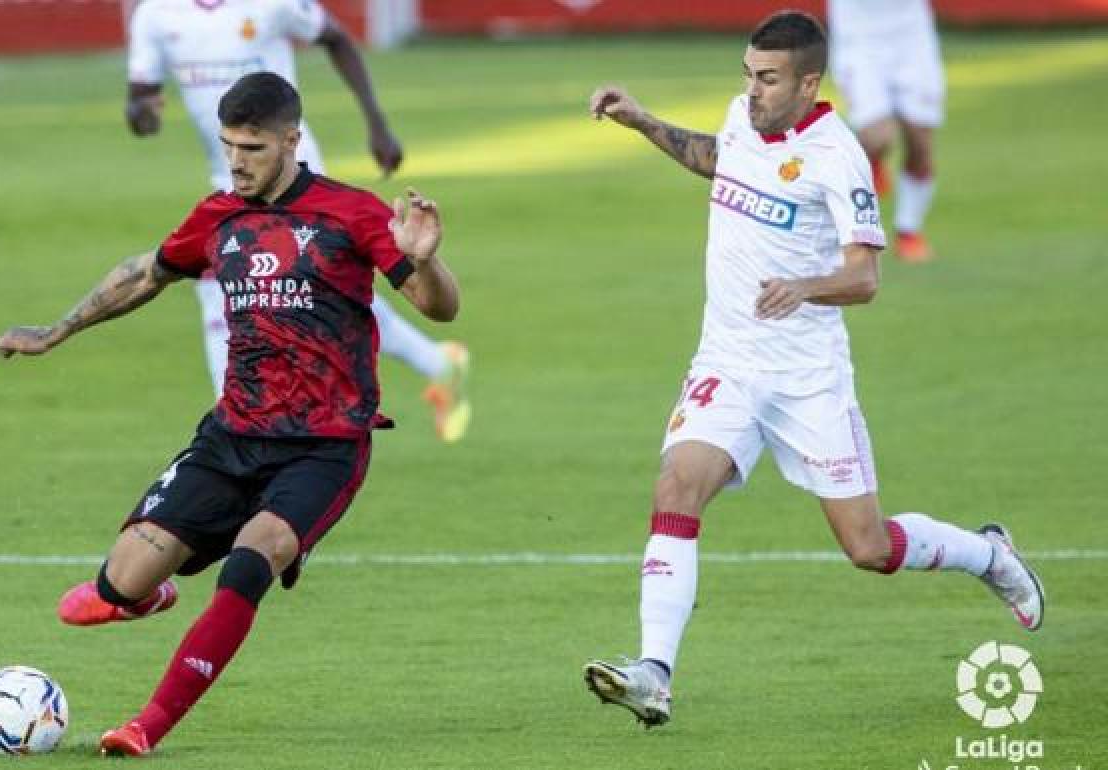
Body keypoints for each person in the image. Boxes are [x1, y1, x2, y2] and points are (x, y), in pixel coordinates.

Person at [580, 11, 1044, 728]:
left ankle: (986, 555)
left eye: (766, 79)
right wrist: (643, 121)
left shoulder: (838, 155)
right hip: (729, 359)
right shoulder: (742, 118)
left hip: (808, 379)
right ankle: (654, 673)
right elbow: (717, 157)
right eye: (747, 75)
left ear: (808, 82)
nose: (752, 90)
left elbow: (864, 279)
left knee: (868, 545)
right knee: (677, 483)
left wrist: (804, 286)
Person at [0, 73, 460, 756]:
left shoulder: (350, 214)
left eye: (253, 146)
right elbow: (146, 272)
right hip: (232, 436)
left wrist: (430, 261)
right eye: (228, 145)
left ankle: (146, 726)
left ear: (292, 141)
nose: (237, 160)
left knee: (252, 559)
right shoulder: (218, 217)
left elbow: (439, 307)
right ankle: (141, 595)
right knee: (118, 582)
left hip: (322, 446)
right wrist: (55, 331)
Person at [122, 0, 470, 441]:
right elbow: (141, 105)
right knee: (315, 291)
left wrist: (376, 123)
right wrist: (143, 114)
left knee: (237, 290)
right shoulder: (156, 13)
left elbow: (337, 37)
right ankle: (439, 364)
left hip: (293, 176)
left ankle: (235, 427)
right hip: (233, 178)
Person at [826, 0, 944, 262]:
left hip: (911, 36)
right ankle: (870, 164)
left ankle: (908, 231)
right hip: (859, 35)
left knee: (920, 144)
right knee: (877, 137)